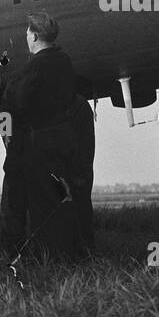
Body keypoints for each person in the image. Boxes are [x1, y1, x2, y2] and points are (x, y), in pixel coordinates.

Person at [0, 12, 78, 259]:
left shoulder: (36, 64)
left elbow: (19, 102)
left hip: (35, 143)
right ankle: (61, 252)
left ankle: (43, 256)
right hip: (58, 138)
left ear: (33, 35)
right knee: (54, 199)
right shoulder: (63, 60)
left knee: (37, 201)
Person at [66, 93, 96, 253]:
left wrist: (82, 171)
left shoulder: (79, 106)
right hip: (64, 169)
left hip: (76, 169)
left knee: (81, 210)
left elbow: (87, 143)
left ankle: (85, 250)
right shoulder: (79, 105)